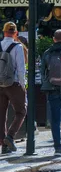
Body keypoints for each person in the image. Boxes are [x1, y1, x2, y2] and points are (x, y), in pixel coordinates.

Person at [0, 22, 26, 154]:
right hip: (13, 84)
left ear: (4, 32)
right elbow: (21, 69)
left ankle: (3, 145)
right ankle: (10, 136)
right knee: (21, 111)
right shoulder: (17, 47)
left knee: (1, 115)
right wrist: (23, 85)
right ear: (15, 33)